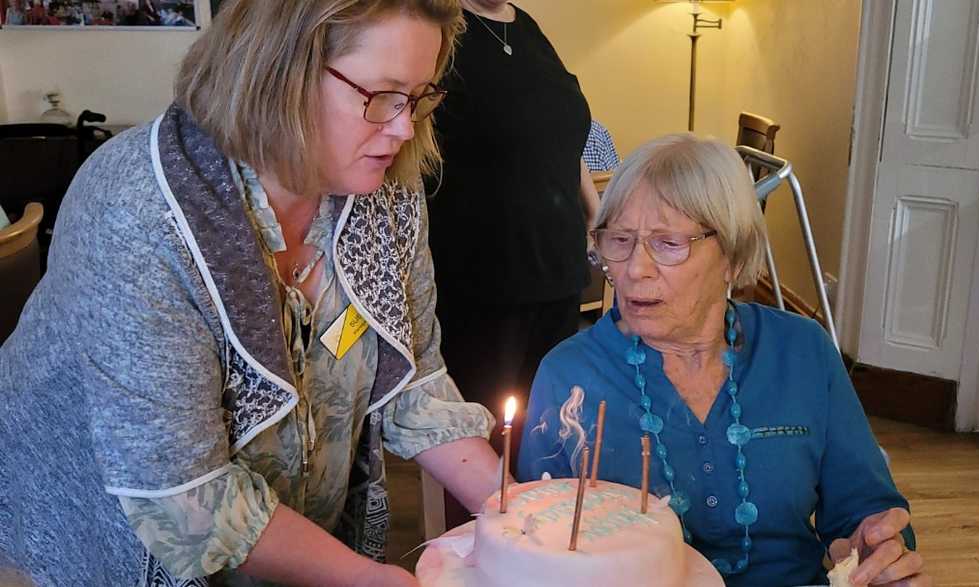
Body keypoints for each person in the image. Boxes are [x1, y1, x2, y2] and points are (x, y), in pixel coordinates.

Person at [0, 1, 503, 586]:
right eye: (382, 96)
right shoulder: (140, 211)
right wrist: (367, 578)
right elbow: (185, 498)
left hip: (286, 538)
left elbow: (412, 375)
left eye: (419, 97)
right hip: (91, 542)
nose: (403, 127)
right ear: (275, 73)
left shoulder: (385, 185)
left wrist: (515, 509)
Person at [517, 135, 929, 586]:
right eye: (619, 240)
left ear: (732, 256)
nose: (634, 269)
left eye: (668, 243)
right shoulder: (570, 376)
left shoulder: (802, 352)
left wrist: (872, 548)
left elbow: (863, 505)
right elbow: (540, 546)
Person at [427, 0, 601, 464]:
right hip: (484, 284)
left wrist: (597, 214)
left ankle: (544, 525)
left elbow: (561, 136)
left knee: (551, 427)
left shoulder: (526, 27)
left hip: (558, 272)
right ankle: (489, 530)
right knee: (489, 439)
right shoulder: (438, 28)